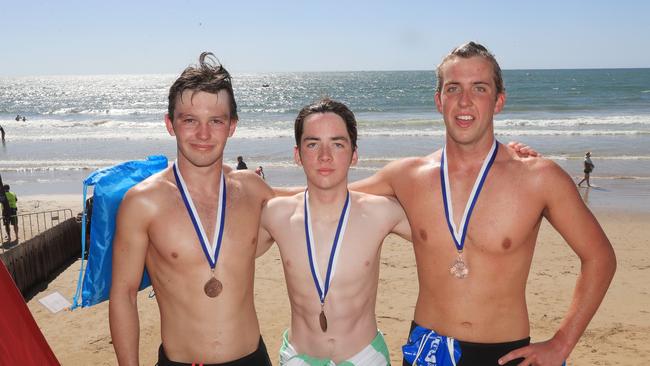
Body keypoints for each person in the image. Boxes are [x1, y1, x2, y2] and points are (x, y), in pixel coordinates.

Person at [351, 42, 616, 366]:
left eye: (479, 88)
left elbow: (600, 257)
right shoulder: (407, 176)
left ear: (498, 101)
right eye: (453, 88)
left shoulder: (538, 177)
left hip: (505, 354)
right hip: (430, 351)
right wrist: (268, 192)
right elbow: (329, 194)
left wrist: (562, 343)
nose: (464, 100)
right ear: (439, 100)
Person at [109, 52, 273, 366]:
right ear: (170, 124)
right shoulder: (143, 202)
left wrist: (388, 181)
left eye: (216, 121)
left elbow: (315, 207)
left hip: (253, 358)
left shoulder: (252, 191)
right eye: (190, 120)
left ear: (232, 126)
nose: (203, 134)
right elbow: (124, 294)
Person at [257, 98, 411, 365]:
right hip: (300, 357)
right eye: (313, 144)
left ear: (354, 155)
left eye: (337, 144)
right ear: (298, 155)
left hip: (365, 356)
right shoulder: (275, 214)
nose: (324, 156)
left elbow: (455, 238)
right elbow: (223, 258)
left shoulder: (382, 212)